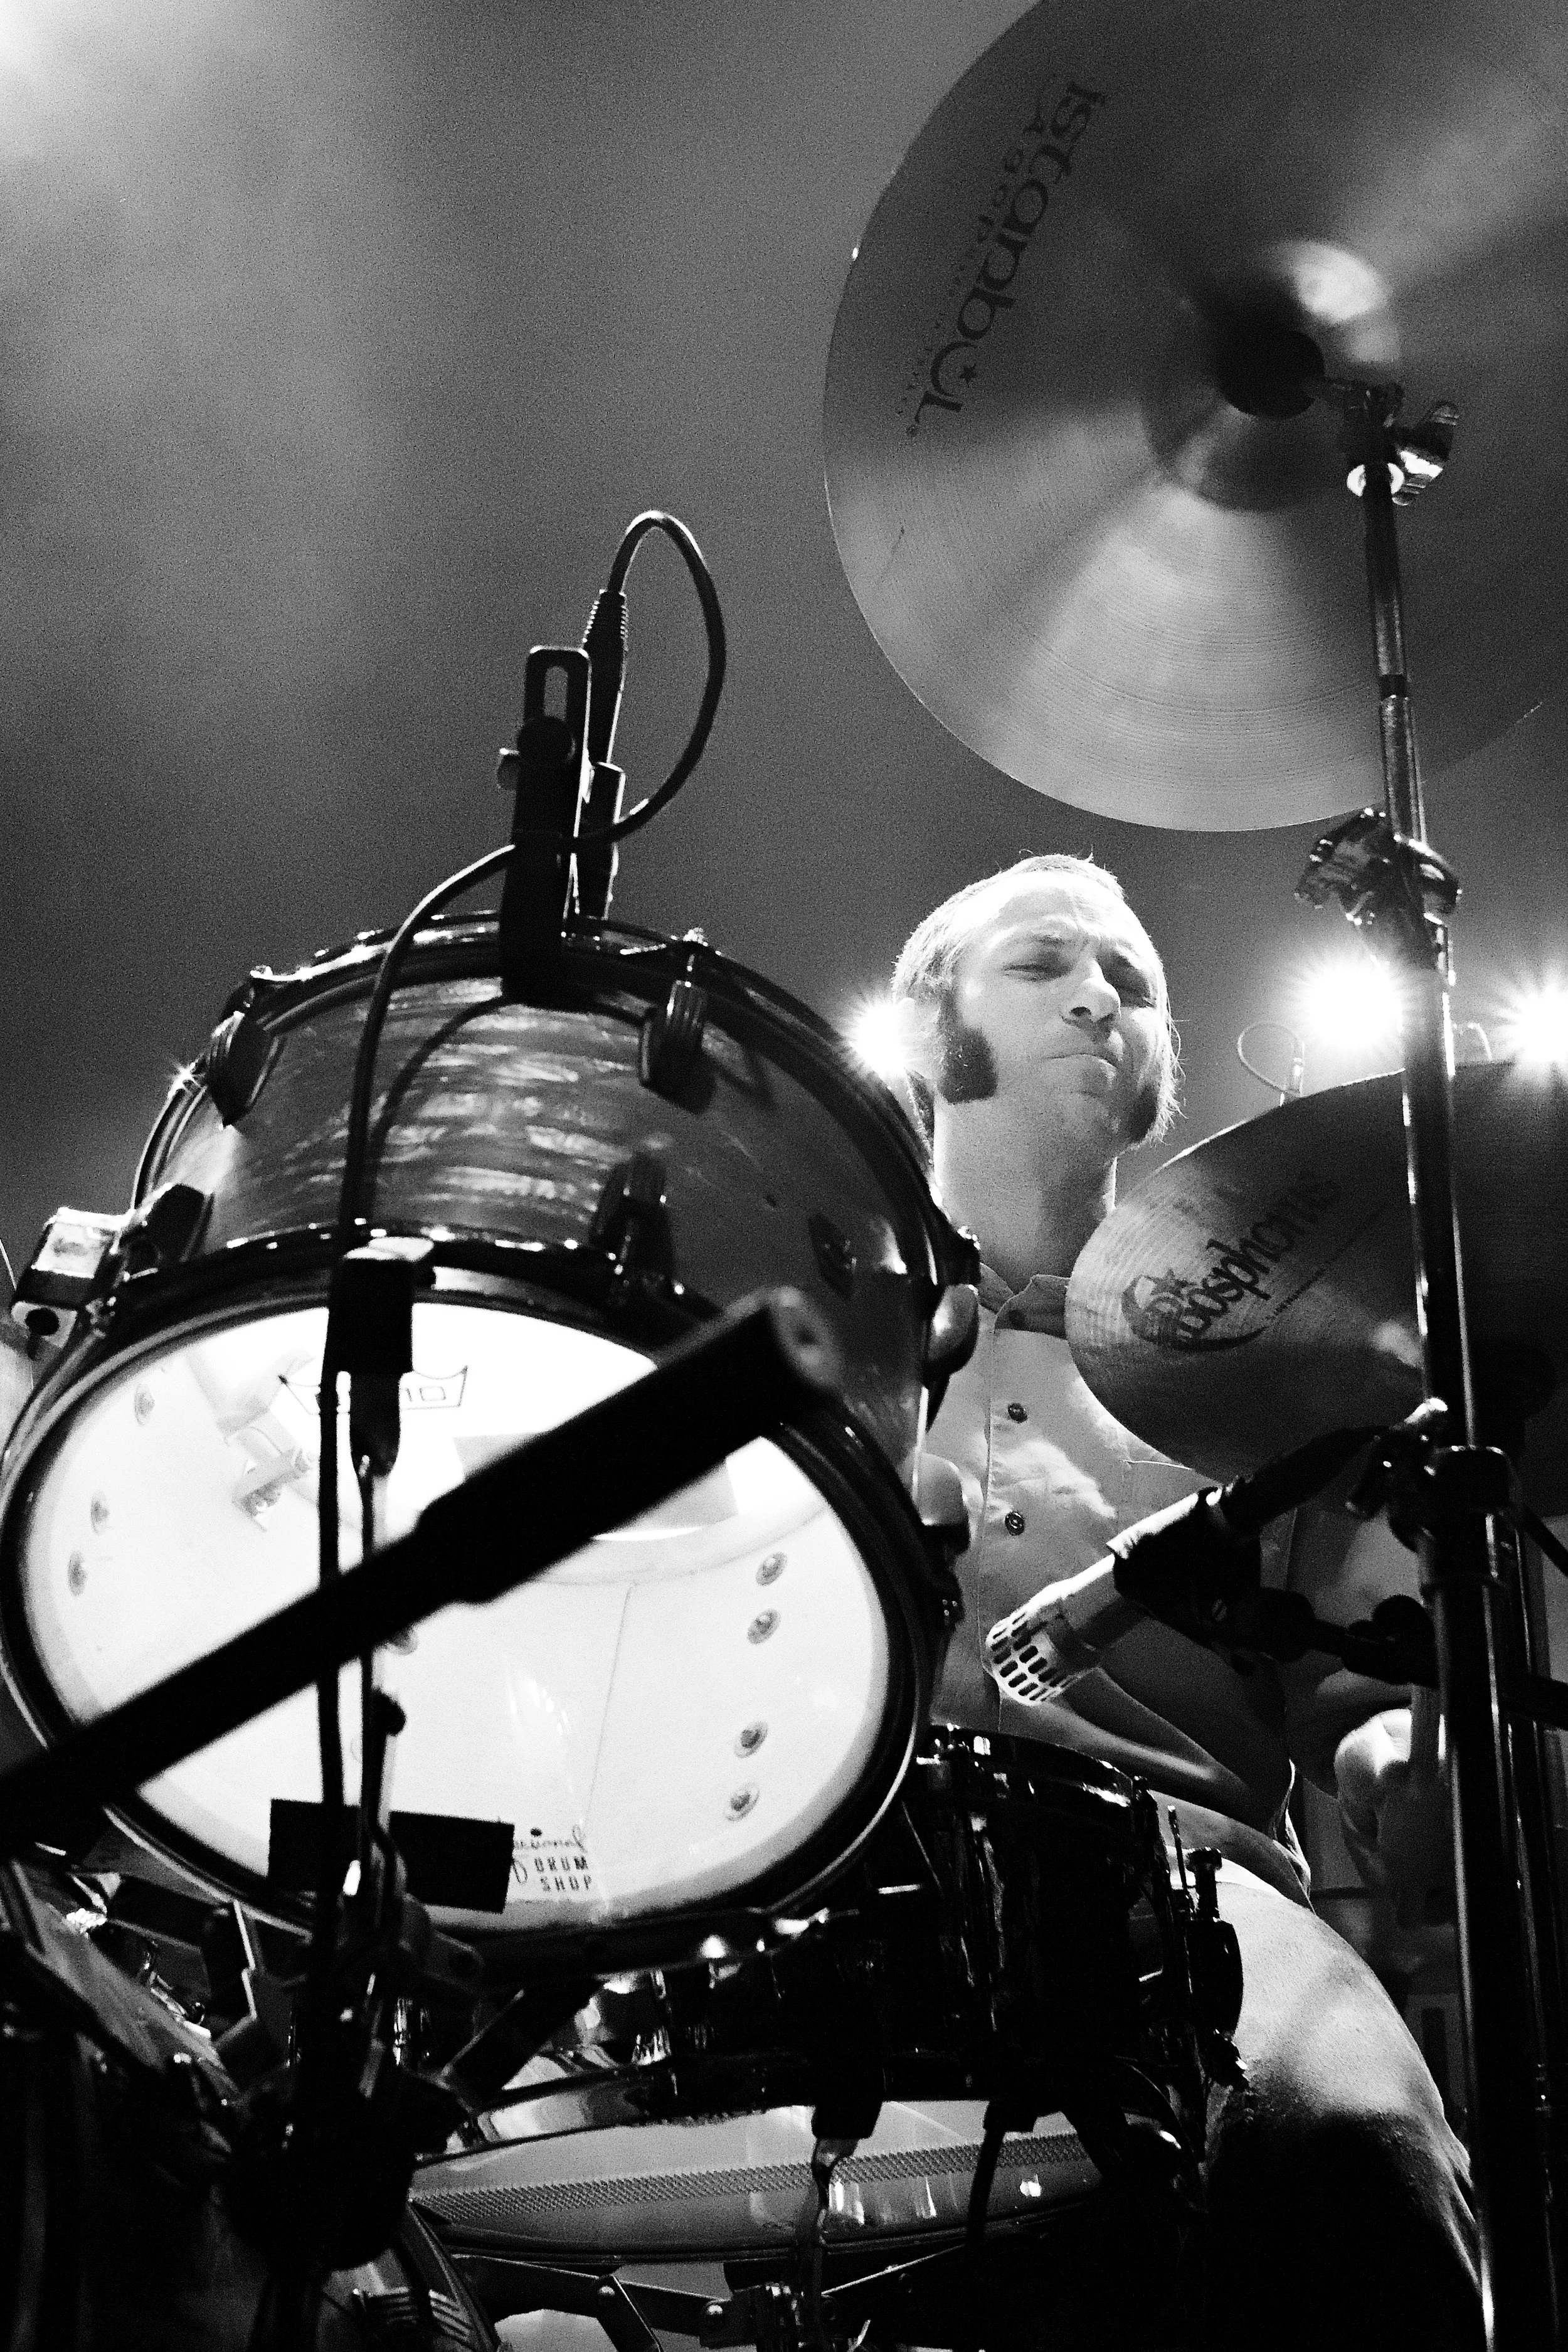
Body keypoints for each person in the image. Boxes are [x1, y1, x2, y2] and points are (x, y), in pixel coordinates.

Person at [889, 852, 1480, 2349]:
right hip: (860, 1875)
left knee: (1363, 2161)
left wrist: (1402, 1764)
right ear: (924, 1025)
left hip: (1191, 1898)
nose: (1098, 995)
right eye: (1041, 964)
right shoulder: (826, 1319)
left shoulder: (1264, 1368)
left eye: (1132, 984)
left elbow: (1357, 1715)